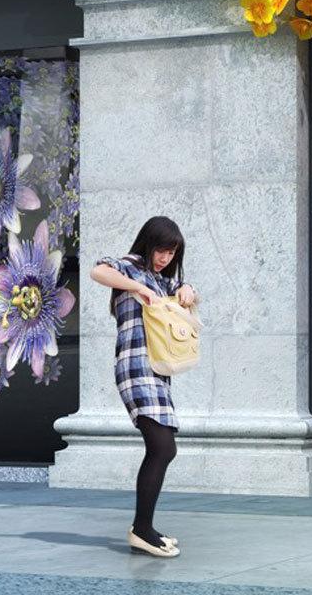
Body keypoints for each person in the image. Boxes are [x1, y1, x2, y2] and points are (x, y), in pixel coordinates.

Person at [89, 215, 199, 558]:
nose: (166, 258)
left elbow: (187, 298)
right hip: (135, 368)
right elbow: (97, 272)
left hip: (156, 370)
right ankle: (142, 529)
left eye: (172, 253)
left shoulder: (160, 279)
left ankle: (145, 527)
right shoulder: (130, 268)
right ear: (149, 242)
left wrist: (186, 290)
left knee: (164, 447)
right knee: (163, 447)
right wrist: (136, 287)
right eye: (162, 249)